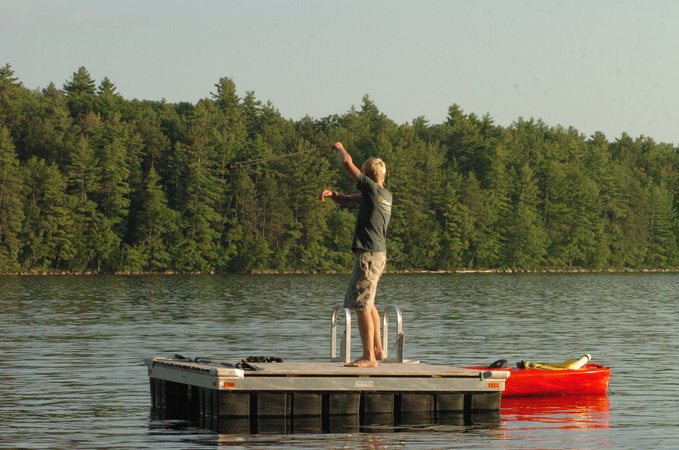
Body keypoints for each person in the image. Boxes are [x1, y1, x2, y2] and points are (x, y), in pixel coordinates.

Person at [319, 142, 392, 368]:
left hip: (368, 255)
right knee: (369, 304)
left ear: (368, 174)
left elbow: (346, 162)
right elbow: (348, 199)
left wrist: (339, 147)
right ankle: (378, 350)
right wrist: (333, 195)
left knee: (361, 306)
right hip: (377, 255)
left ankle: (369, 357)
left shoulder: (371, 189)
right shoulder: (383, 195)